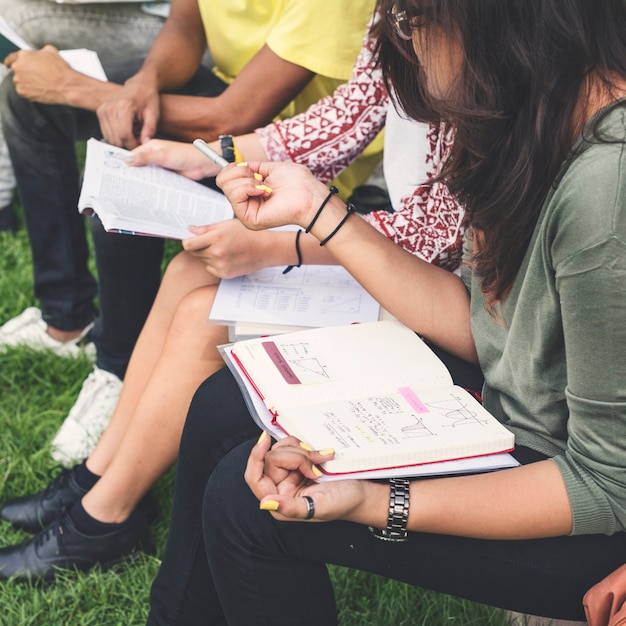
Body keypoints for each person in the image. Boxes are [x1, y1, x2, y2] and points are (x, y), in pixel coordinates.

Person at [143, 0, 626, 623]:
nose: (403, 42)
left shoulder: (604, 185)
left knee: (249, 511)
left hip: (578, 499)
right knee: (220, 406)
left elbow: (604, 484)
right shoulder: (524, 112)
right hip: (519, 418)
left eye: (409, 20)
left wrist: (376, 502)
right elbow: (486, 331)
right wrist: (318, 210)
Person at [0, 28, 467, 581]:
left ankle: (103, 520)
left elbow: (438, 232)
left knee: (209, 315)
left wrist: (276, 242)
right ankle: (97, 477)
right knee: (188, 270)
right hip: (387, 252)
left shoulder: (480, 39)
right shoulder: (399, 14)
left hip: (440, 293)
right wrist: (216, 157)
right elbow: (347, 114)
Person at [0, 0, 382, 463]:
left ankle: (118, 368)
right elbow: (186, 20)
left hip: (298, 144)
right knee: (56, 115)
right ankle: (67, 318)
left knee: (129, 151)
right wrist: (146, 81)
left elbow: (236, 115)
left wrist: (76, 88)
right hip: (231, 98)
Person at [0, 0, 168, 233]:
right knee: (19, 88)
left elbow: (222, 116)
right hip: (170, 22)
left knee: (13, 20)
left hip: (162, 16)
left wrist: (75, 87)